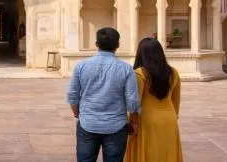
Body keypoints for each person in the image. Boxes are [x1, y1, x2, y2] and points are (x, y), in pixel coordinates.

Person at [66, 27, 140, 162]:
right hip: (116, 125)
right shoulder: (126, 69)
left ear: (96, 44)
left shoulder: (81, 66)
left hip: (88, 123)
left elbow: (72, 94)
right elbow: (132, 101)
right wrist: (134, 121)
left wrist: (77, 112)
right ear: (118, 45)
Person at [124, 37, 182, 162]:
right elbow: (176, 101)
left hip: (147, 120)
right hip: (169, 118)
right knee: (166, 152)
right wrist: (173, 116)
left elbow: (135, 102)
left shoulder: (140, 73)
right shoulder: (173, 72)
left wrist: (132, 122)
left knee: (148, 153)